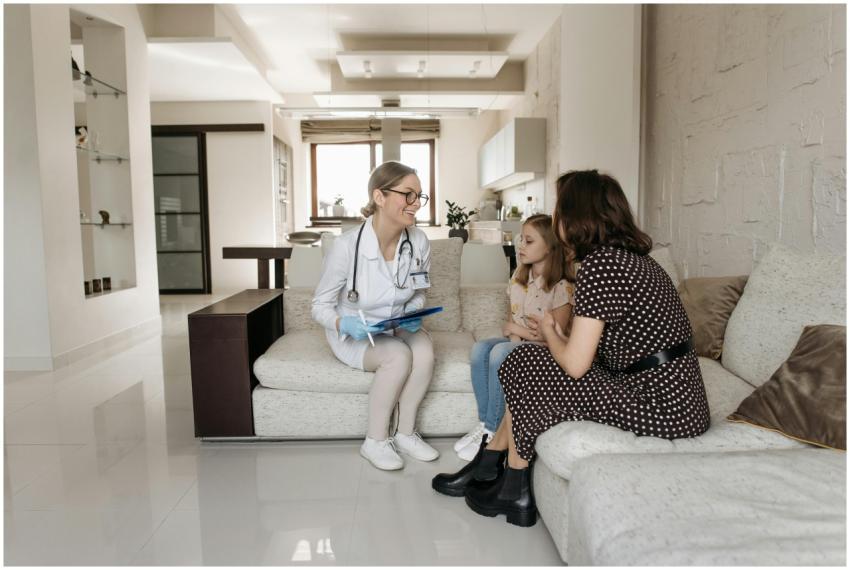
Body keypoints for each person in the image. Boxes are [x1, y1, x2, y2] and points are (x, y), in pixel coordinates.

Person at [435, 169, 711, 527]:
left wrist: (549, 330)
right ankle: (497, 469)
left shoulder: (601, 265)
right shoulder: (635, 260)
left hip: (661, 407)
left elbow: (577, 365)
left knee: (525, 363)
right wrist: (554, 338)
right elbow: (594, 351)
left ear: (575, 216)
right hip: (675, 400)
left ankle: (507, 479)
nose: (555, 218)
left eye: (558, 210)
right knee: (529, 360)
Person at [312, 161, 438, 471]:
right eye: (408, 194)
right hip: (357, 332)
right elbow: (319, 305)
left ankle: (406, 433)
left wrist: (412, 312)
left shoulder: (418, 241)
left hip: (396, 322)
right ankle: (376, 440)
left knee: (424, 351)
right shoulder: (346, 247)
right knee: (397, 355)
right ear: (379, 196)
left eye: (419, 196)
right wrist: (344, 323)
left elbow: (420, 291)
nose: (415, 204)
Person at [450, 214, 573, 462]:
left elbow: (554, 337)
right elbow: (509, 326)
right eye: (521, 240)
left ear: (549, 246)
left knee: (499, 353)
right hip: (524, 344)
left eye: (528, 241)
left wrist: (517, 334)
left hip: (547, 351)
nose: (521, 246)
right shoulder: (518, 278)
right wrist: (517, 337)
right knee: (480, 350)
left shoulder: (563, 287)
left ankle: (494, 433)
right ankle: (485, 424)